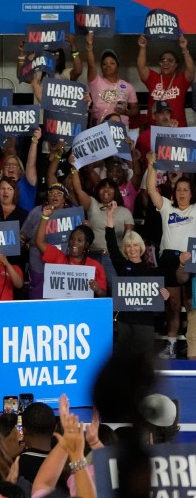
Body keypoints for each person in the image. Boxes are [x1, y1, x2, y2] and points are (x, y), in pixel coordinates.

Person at [105, 202, 175, 356]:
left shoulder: (153, 272)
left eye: (135, 245)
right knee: (125, 359)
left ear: (141, 247)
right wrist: (110, 216)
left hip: (145, 323)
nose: (132, 249)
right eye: (128, 246)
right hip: (125, 322)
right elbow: (111, 244)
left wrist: (166, 297)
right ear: (125, 249)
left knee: (143, 361)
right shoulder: (122, 266)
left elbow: (161, 302)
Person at [145, 151, 196, 359]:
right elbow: (150, 189)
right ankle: (172, 344)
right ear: (174, 193)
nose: (182, 193)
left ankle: (192, 343)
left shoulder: (195, 209)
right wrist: (151, 165)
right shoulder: (167, 206)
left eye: (186, 190)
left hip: (191, 259)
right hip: (168, 258)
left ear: (192, 193)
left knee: (191, 304)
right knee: (173, 305)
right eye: (179, 190)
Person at [35, 203, 107, 297]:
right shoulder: (58, 257)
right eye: (72, 239)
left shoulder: (96, 266)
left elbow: (104, 295)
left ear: (87, 244)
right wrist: (45, 217)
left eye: (79, 240)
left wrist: (98, 290)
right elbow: (39, 242)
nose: (74, 242)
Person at [137, 33, 194, 127]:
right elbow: (141, 67)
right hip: (154, 130)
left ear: (176, 65)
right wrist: (142, 47)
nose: (165, 63)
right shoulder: (153, 78)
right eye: (162, 61)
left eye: (170, 60)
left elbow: (191, 70)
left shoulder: (181, 79)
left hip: (178, 130)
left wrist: (184, 49)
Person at [85, 32, 138, 127]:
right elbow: (91, 65)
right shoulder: (96, 82)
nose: (108, 66)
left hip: (121, 129)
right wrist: (89, 47)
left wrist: (126, 112)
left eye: (112, 63)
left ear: (118, 66)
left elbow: (135, 109)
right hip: (99, 128)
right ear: (101, 67)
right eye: (104, 64)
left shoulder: (128, 87)